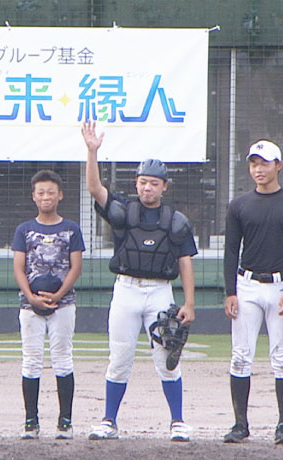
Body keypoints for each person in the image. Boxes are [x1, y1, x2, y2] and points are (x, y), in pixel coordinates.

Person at [81, 120, 197, 442]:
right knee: (119, 358)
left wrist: (189, 303)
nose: (148, 188)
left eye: (154, 183)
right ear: (136, 184)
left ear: (164, 187)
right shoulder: (123, 211)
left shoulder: (175, 221)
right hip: (127, 290)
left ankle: (177, 422)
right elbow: (94, 188)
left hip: (160, 293)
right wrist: (92, 152)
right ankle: (109, 421)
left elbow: (186, 261)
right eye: (143, 182)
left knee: (167, 358)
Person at [222, 140, 283, 444]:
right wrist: (230, 291)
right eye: (254, 164)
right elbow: (231, 250)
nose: (259, 169)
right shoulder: (239, 205)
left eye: (265, 163)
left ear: (278, 166)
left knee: (282, 357)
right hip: (246, 284)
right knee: (240, 356)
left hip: (280, 285)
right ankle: (240, 423)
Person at [11, 170, 84, 440]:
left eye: (50, 192)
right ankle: (31, 421)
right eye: (40, 192)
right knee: (31, 359)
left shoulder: (71, 229)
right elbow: (19, 267)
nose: (45, 197)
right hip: (30, 305)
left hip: (63, 304)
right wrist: (30, 296)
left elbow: (76, 267)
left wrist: (59, 294)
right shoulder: (24, 230)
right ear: (33, 196)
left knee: (62, 357)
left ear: (60, 195)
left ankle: (65, 421)